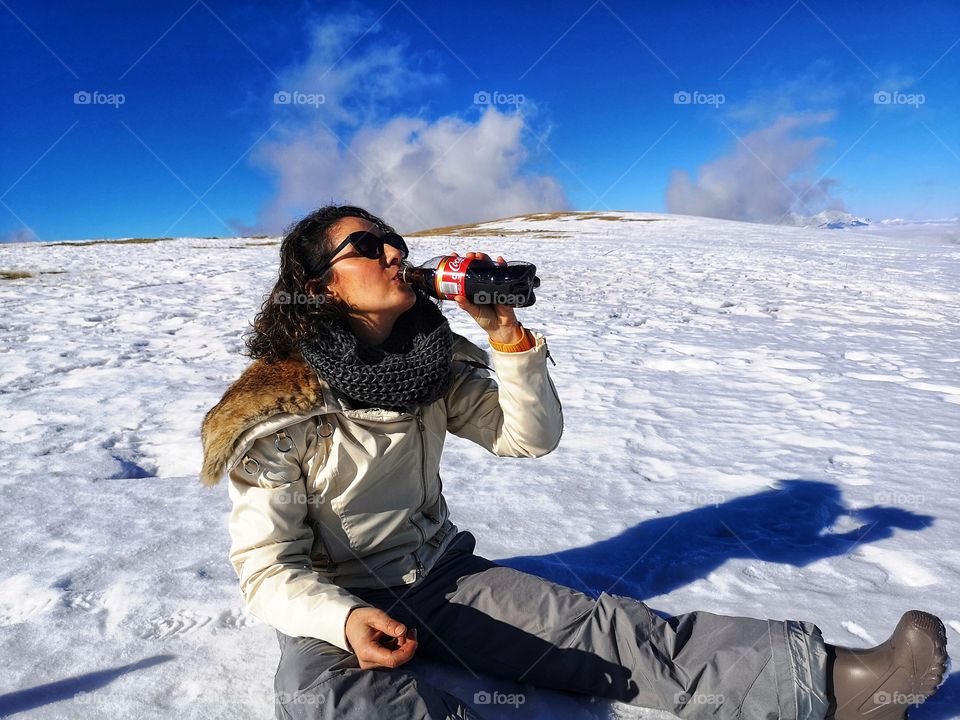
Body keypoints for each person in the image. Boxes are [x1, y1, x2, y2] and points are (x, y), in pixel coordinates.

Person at [199, 204, 948, 720]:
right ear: (317, 285)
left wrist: (506, 340)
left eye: (394, 239)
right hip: (329, 606)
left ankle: (838, 683)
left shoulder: (428, 364)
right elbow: (267, 573)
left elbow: (526, 437)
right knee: (320, 703)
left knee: (609, 631)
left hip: (437, 579)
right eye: (365, 246)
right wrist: (346, 615)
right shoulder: (277, 410)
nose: (394, 252)